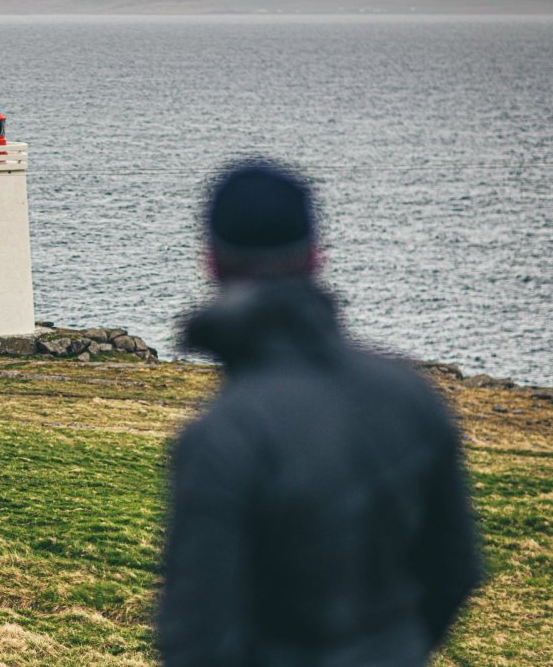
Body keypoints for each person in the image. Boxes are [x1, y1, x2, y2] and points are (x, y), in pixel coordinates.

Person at [157, 161, 481, 666]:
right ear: (315, 257)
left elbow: (197, 638)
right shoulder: (410, 394)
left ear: (210, 263)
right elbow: (457, 570)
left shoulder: (224, 434)